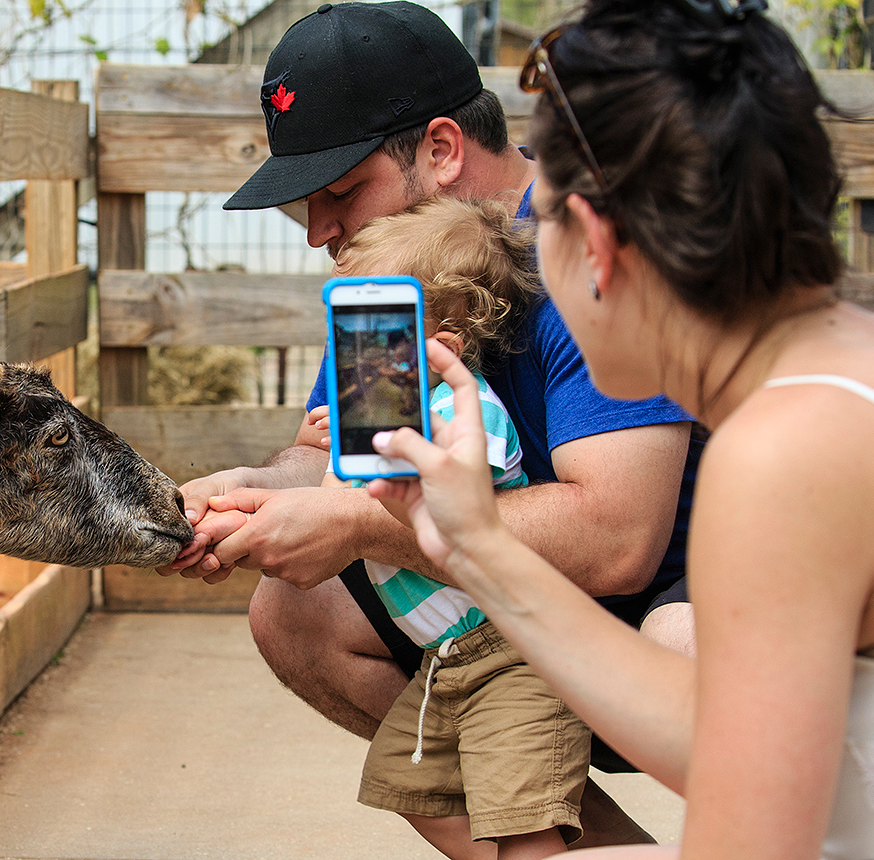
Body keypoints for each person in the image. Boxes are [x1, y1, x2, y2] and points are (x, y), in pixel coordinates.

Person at [158, 1, 701, 850]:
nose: (320, 234)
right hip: (503, 623)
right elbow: (344, 456)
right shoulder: (397, 273)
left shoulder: (597, 249)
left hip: (652, 602)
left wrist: (354, 521)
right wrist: (250, 494)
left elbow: (620, 537)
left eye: (341, 193)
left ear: (443, 149)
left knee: (691, 642)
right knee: (291, 614)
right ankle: (596, 848)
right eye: (306, 206)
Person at [365, 1, 874, 857]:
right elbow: (731, 747)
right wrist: (478, 547)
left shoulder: (781, 458)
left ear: (595, 245)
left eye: (536, 223)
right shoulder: (836, 371)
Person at [341, 198, 593, 859]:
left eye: (383, 329)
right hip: (445, 662)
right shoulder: (379, 412)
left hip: (514, 655)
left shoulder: (466, 409)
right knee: (406, 783)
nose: (360, 350)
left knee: (523, 824)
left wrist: (395, 459)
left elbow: (468, 484)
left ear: (444, 345)